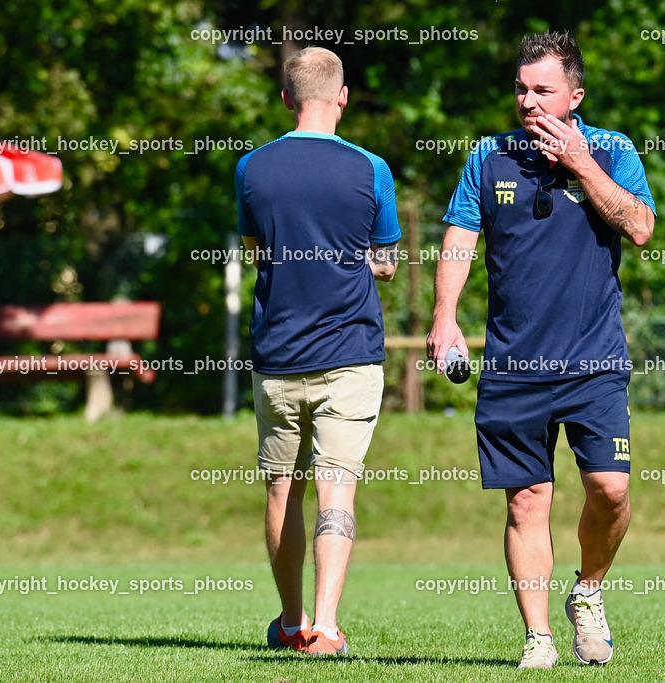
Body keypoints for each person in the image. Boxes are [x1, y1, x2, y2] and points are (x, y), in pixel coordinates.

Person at [426, 31, 656, 669]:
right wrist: (446, 318)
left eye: (543, 91)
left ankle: (587, 592)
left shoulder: (613, 151)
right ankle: (539, 638)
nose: (528, 102)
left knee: (609, 489)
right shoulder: (489, 156)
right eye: (522, 90)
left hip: (595, 361)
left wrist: (582, 164)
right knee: (527, 499)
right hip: (512, 363)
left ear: (574, 96)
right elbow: (460, 237)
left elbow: (639, 227)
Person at [235, 46, 401, 657]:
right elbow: (383, 262)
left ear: (286, 99)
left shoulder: (251, 168)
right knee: (337, 488)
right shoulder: (371, 168)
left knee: (283, 488)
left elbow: (258, 247)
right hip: (350, 353)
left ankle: (289, 620)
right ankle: (327, 627)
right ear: (343, 97)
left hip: (278, 354)